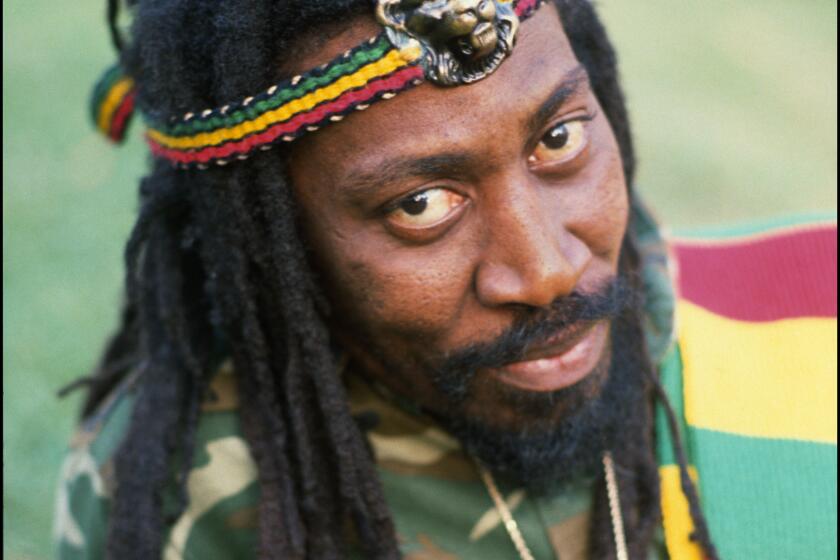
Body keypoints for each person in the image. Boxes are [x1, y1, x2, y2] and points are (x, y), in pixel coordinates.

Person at [55, 0, 837, 558]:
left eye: (558, 138)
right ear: (275, 247)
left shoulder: (808, 325)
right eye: (421, 205)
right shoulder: (184, 500)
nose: (545, 271)